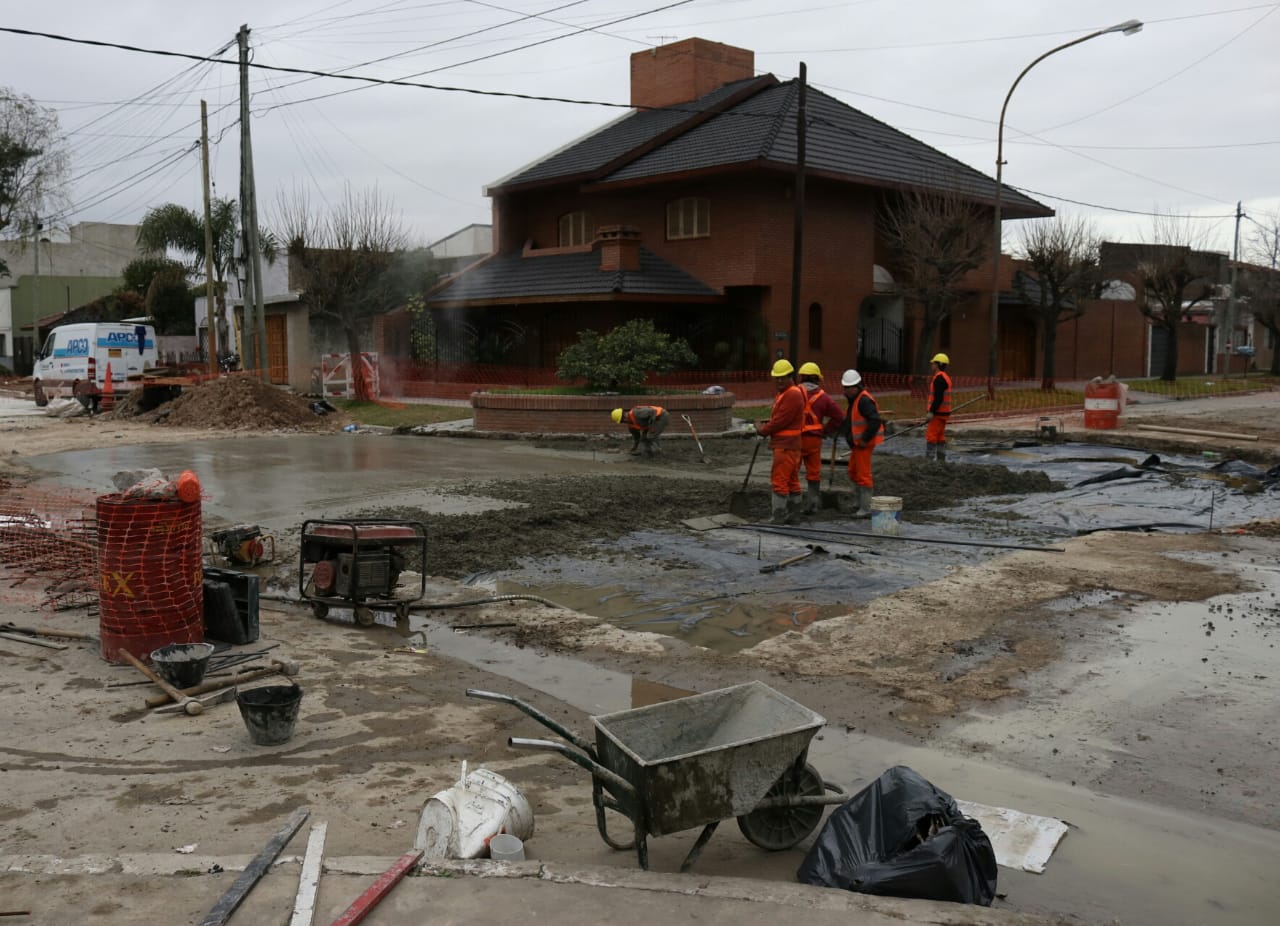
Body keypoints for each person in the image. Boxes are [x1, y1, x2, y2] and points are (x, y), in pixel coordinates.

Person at [754, 359, 807, 524]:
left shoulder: (792, 393)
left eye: (782, 377)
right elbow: (780, 418)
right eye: (776, 377)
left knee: (780, 480)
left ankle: (778, 516)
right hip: (790, 444)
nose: (778, 380)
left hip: (785, 445)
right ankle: (794, 515)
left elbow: (780, 421)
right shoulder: (786, 393)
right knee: (791, 480)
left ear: (790, 376)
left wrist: (762, 430)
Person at [796, 362, 844, 514]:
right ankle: (813, 504)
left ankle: (793, 505)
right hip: (814, 441)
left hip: (795, 440)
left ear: (802, 377)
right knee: (814, 472)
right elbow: (839, 417)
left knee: (792, 472)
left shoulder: (794, 393)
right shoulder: (824, 398)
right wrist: (825, 430)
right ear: (817, 379)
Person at [839, 369, 884, 518]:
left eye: (848, 388)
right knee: (853, 471)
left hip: (863, 444)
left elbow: (875, 421)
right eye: (844, 388)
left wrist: (865, 439)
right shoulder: (855, 399)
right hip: (857, 445)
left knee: (863, 475)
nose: (845, 391)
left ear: (856, 386)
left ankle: (865, 508)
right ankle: (858, 503)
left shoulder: (864, 400)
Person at [925, 352, 952, 462]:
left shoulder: (939, 379)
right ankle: (941, 459)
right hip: (944, 413)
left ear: (937, 365)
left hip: (938, 413)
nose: (932, 365)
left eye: (933, 363)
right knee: (940, 436)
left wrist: (931, 411)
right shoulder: (945, 377)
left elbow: (938, 398)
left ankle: (929, 461)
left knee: (931, 436)